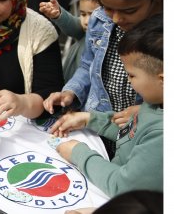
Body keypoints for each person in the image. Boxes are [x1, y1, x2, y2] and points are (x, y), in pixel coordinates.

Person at [43, 0, 162, 159]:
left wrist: (148, 113)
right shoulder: (100, 19)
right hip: (98, 124)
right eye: (108, 8)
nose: (116, 19)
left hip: (142, 135)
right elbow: (88, 64)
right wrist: (71, 91)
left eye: (129, 10)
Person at [50, 15, 163, 197]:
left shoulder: (162, 135)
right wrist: (90, 119)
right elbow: (131, 134)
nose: (128, 81)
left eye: (132, 76)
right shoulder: (154, 106)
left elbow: (123, 187)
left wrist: (79, 154)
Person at [39, 0, 99, 82]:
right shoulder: (85, 31)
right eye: (83, 14)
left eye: (93, 15)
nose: (86, 21)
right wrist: (59, 15)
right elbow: (74, 26)